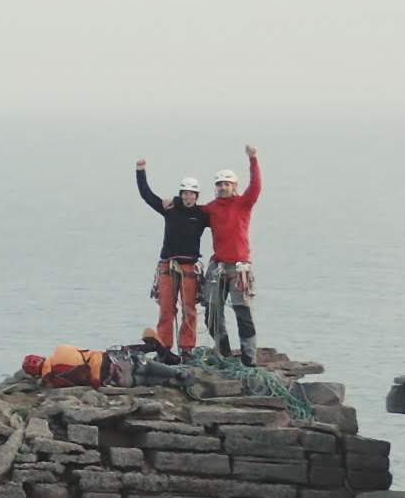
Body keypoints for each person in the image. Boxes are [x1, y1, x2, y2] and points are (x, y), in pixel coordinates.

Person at [135, 159, 210, 355]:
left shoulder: (202, 215)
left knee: (189, 311)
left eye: (191, 194)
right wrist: (140, 171)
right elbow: (147, 195)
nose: (188, 197)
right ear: (181, 194)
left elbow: (224, 217)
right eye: (184, 193)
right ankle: (164, 348)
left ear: (196, 196)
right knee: (166, 310)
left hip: (189, 268)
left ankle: (186, 350)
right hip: (168, 266)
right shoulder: (170, 210)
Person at [203, 144, 263, 365]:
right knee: (211, 312)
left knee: (242, 313)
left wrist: (253, 160)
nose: (223, 187)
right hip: (218, 266)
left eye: (227, 184)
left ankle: (249, 358)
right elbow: (189, 215)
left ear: (234, 186)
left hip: (239, 268)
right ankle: (224, 350)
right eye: (219, 184)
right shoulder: (210, 209)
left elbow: (256, 187)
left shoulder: (243, 204)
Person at [20, 342, 187, 389]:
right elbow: (88, 353)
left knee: (141, 380)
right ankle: (175, 372)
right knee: (144, 365)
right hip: (114, 361)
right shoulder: (61, 350)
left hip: (111, 380)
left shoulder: (53, 383)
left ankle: (170, 382)